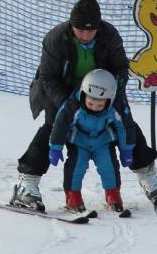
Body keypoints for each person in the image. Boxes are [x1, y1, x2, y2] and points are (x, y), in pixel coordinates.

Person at [10, 0, 157, 212]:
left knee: (125, 123)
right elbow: (48, 77)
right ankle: (27, 183)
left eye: (90, 31)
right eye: (80, 30)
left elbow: (121, 68)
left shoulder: (109, 36)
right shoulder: (56, 39)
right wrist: (67, 106)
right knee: (52, 128)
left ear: (98, 27)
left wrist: (111, 93)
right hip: (62, 92)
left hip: (103, 91)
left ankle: (148, 175)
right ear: (71, 25)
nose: (85, 35)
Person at [49, 69, 130, 213]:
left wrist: (126, 150)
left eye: (100, 106)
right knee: (76, 168)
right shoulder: (72, 105)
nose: (94, 108)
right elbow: (61, 124)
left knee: (109, 167)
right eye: (90, 104)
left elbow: (124, 127)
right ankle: (73, 197)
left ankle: (113, 194)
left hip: (103, 141)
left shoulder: (116, 107)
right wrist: (55, 147)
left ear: (109, 100)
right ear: (83, 95)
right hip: (79, 141)